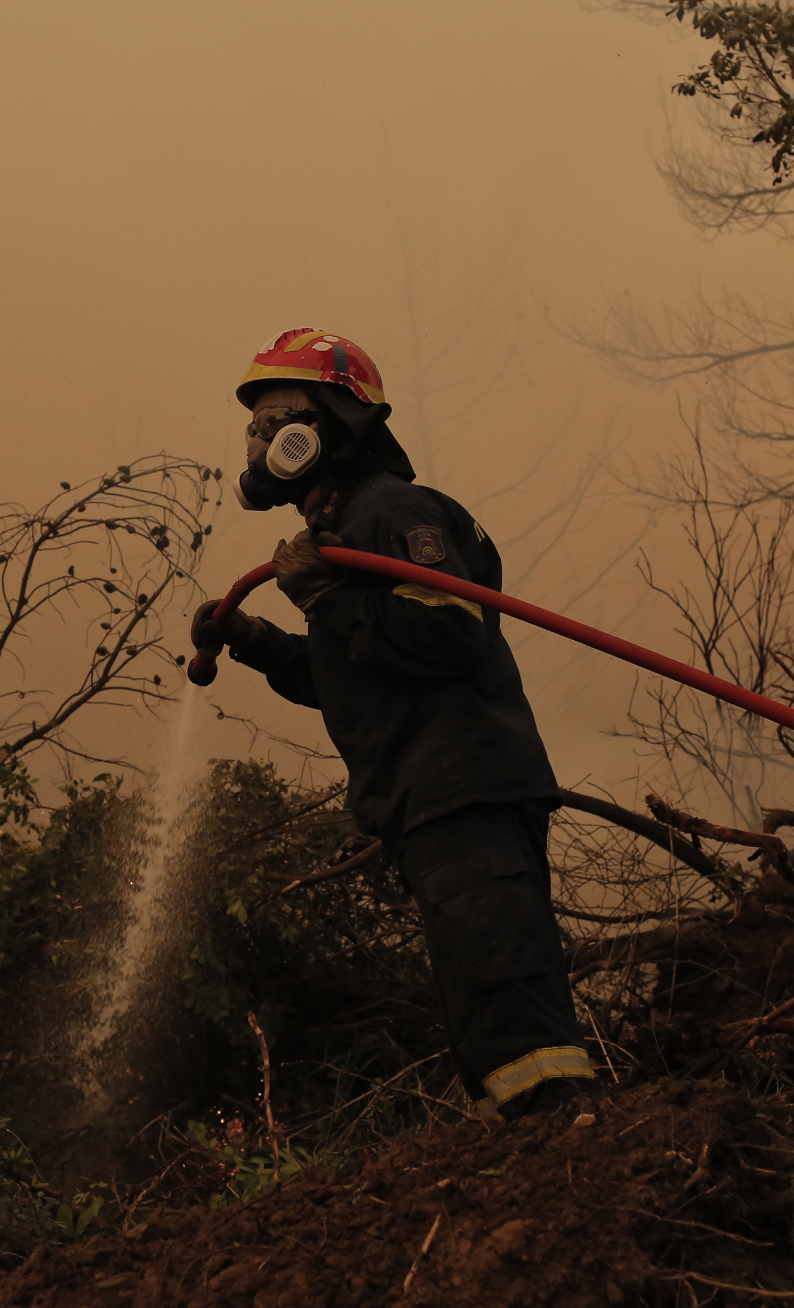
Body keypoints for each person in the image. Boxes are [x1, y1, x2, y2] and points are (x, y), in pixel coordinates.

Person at [191, 326, 597, 1120]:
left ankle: (563, 1132)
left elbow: (448, 635)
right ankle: (530, 1141)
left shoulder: (391, 510)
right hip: (431, 797)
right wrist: (257, 642)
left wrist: (325, 597)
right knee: (479, 989)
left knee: (503, 977)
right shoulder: (342, 531)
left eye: (276, 419)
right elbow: (357, 674)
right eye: (254, 425)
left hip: (464, 785)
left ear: (326, 425)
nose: (259, 440)